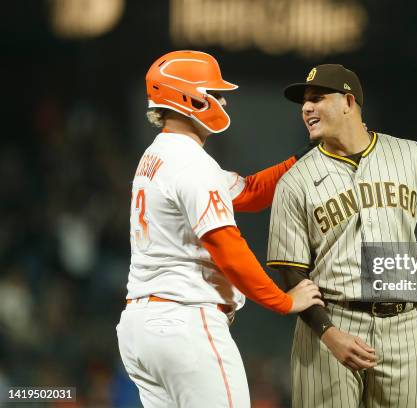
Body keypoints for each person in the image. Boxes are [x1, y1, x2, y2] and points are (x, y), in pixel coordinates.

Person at [266, 64, 417, 408]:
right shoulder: (296, 180)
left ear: (348, 102)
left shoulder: (413, 156)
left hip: (403, 327)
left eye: (317, 98)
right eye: (303, 101)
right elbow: (292, 272)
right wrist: (329, 333)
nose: (306, 107)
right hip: (331, 325)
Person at [116, 50, 324, 408]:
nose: (223, 100)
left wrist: (305, 158)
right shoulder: (189, 163)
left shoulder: (160, 154)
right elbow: (227, 246)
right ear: (188, 97)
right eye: (213, 92)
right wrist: (283, 301)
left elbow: (251, 192)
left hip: (142, 328)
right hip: (186, 322)